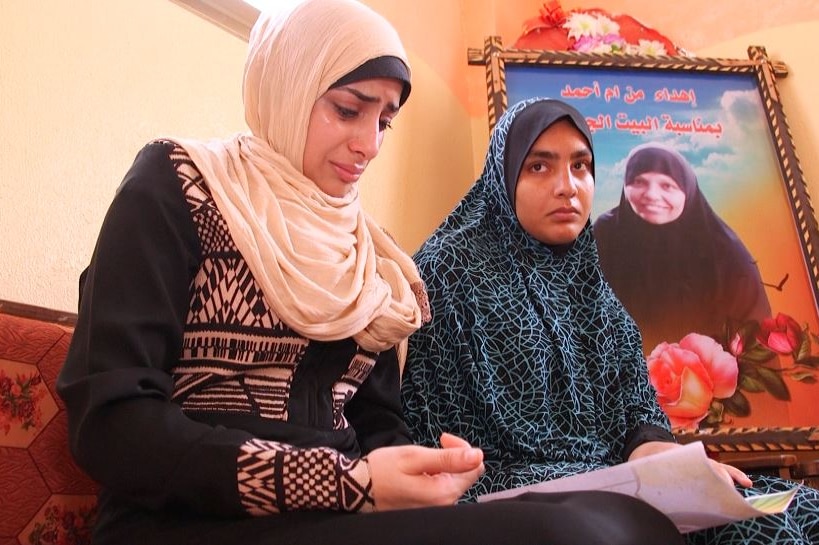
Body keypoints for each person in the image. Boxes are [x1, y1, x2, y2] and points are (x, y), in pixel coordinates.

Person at [56, 3, 685, 545]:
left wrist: (422, 467)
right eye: (348, 110)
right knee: (566, 536)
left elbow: (378, 423)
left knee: (626, 521)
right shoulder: (179, 187)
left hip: (337, 514)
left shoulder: (366, 252)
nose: (370, 144)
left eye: (384, 121)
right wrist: (342, 481)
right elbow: (110, 420)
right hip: (189, 519)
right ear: (290, 84)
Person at [401, 97, 819, 544]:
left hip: (616, 486)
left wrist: (678, 468)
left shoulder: (593, 287)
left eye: (580, 167)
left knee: (799, 510)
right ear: (502, 179)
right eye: (539, 167)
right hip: (507, 497)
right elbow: (429, 432)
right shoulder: (449, 270)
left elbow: (636, 416)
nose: (567, 186)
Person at [593, 142, 771, 352]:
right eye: (638, 181)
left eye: (667, 185)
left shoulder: (725, 255)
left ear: (688, 190)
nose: (651, 194)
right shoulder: (606, 233)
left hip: (705, 378)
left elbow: (753, 333)